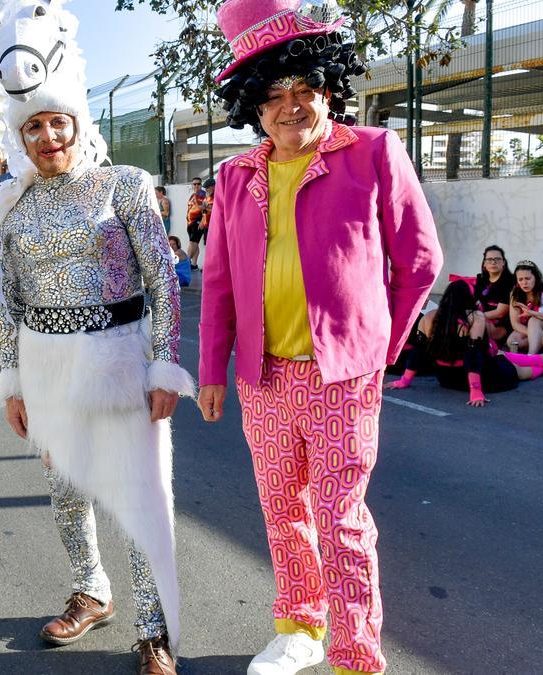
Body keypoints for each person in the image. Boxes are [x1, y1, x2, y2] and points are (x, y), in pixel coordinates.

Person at [200, 1, 443, 672]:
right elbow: (216, 279)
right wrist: (212, 371)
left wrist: (378, 346)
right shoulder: (235, 175)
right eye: (274, 95)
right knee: (282, 511)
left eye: (304, 89)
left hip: (344, 378)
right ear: (253, 104)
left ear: (327, 86)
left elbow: (419, 258)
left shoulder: (372, 153)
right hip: (263, 376)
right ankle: (300, 628)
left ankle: (357, 652)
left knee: (341, 521)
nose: (290, 106)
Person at [0, 5, 193, 670]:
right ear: (21, 134)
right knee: (66, 495)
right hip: (46, 370)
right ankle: (92, 592)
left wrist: (163, 364)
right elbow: (5, 303)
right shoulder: (10, 206)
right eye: (32, 125)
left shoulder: (122, 185)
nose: (47, 135)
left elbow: (163, 280)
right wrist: (12, 381)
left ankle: (155, 628)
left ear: (76, 121)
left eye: (56, 121)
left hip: (121, 360)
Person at [387, 280, 543, 405]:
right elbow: (473, 353)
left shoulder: (431, 317)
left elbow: (418, 351)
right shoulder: (474, 317)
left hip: (446, 377)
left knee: (500, 356)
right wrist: (475, 390)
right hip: (474, 376)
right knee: (518, 371)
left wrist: (405, 380)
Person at [473, 245, 512, 344]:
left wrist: (474, 316)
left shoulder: (509, 281)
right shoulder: (481, 279)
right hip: (481, 319)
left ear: (503, 262)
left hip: (500, 327)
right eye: (489, 259)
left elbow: (500, 313)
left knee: (471, 321)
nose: (493, 262)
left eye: (497, 259)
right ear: (484, 263)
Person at [185, 176, 206, 269]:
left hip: (198, 221)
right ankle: (194, 264)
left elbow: (206, 209)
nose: (196, 186)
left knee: (192, 242)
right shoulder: (192, 196)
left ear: (201, 185)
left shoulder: (203, 195)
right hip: (190, 222)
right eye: (195, 184)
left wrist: (202, 221)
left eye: (198, 184)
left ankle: (186, 262)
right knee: (195, 243)